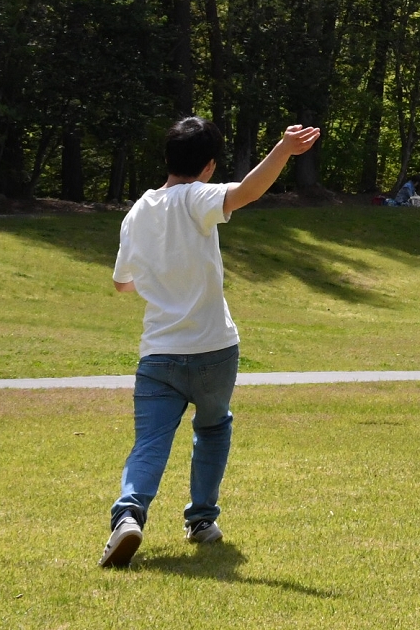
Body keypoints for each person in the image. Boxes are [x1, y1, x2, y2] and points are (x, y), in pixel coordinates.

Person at [100, 117, 321, 569]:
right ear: (207, 167)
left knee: (150, 442)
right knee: (213, 428)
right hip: (214, 349)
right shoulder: (197, 197)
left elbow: (123, 285)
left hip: (158, 352)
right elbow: (247, 192)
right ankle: (201, 520)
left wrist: (163, 280)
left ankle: (128, 515)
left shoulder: (137, 212)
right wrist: (283, 149)